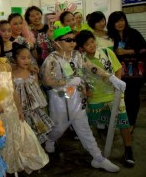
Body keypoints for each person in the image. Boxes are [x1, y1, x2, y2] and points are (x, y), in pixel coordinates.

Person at [40, 26, 126, 172]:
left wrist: (110, 77)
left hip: (78, 99)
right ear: (57, 42)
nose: (72, 43)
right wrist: (66, 83)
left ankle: (98, 158)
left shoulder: (77, 56)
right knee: (59, 127)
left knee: (84, 129)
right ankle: (51, 139)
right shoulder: (52, 59)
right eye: (68, 40)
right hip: (60, 101)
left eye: (73, 40)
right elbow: (47, 80)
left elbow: (91, 67)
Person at [0, 32, 49, 174]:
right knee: (3, 143)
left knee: (23, 138)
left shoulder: (6, 66)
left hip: (12, 111)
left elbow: (13, 90)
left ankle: (20, 164)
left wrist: (19, 109)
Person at [75, 30, 135, 167]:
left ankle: (128, 149)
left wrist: (117, 83)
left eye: (92, 41)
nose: (91, 45)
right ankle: (98, 151)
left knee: (123, 122)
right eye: (87, 44)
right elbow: (80, 78)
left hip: (114, 94)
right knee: (96, 122)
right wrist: (86, 90)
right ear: (81, 47)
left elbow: (118, 68)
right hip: (95, 96)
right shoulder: (81, 59)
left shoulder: (106, 52)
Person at [107, 11, 146, 135]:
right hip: (118, 73)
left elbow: (144, 49)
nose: (120, 23)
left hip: (135, 73)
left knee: (133, 97)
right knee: (120, 98)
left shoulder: (134, 33)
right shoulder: (110, 37)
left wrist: (126, 52)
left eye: (122, 20)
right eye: (117, 21)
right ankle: (121, 120)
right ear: (112, 23)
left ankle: (131, 122)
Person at [12, 43, 54, 146]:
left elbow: (37, 92)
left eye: (28, 58)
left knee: (36, 134)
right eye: (23, 58)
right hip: (21, 110)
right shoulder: (11, 74)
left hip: (34, 110)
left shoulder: (32, 73)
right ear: (15, 59)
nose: (26, 61)